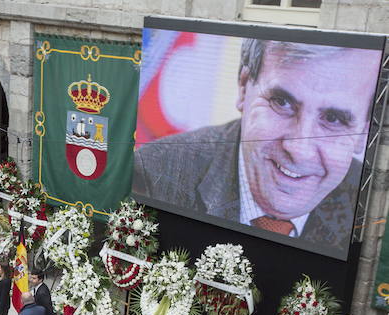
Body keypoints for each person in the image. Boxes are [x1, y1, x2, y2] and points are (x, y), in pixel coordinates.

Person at [132, 40, 381, 252]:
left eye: (333, 119)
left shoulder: (369, 209)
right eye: (282, 102)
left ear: (364, 132)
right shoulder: (154, 173)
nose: (299, 149)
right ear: (243, 88)